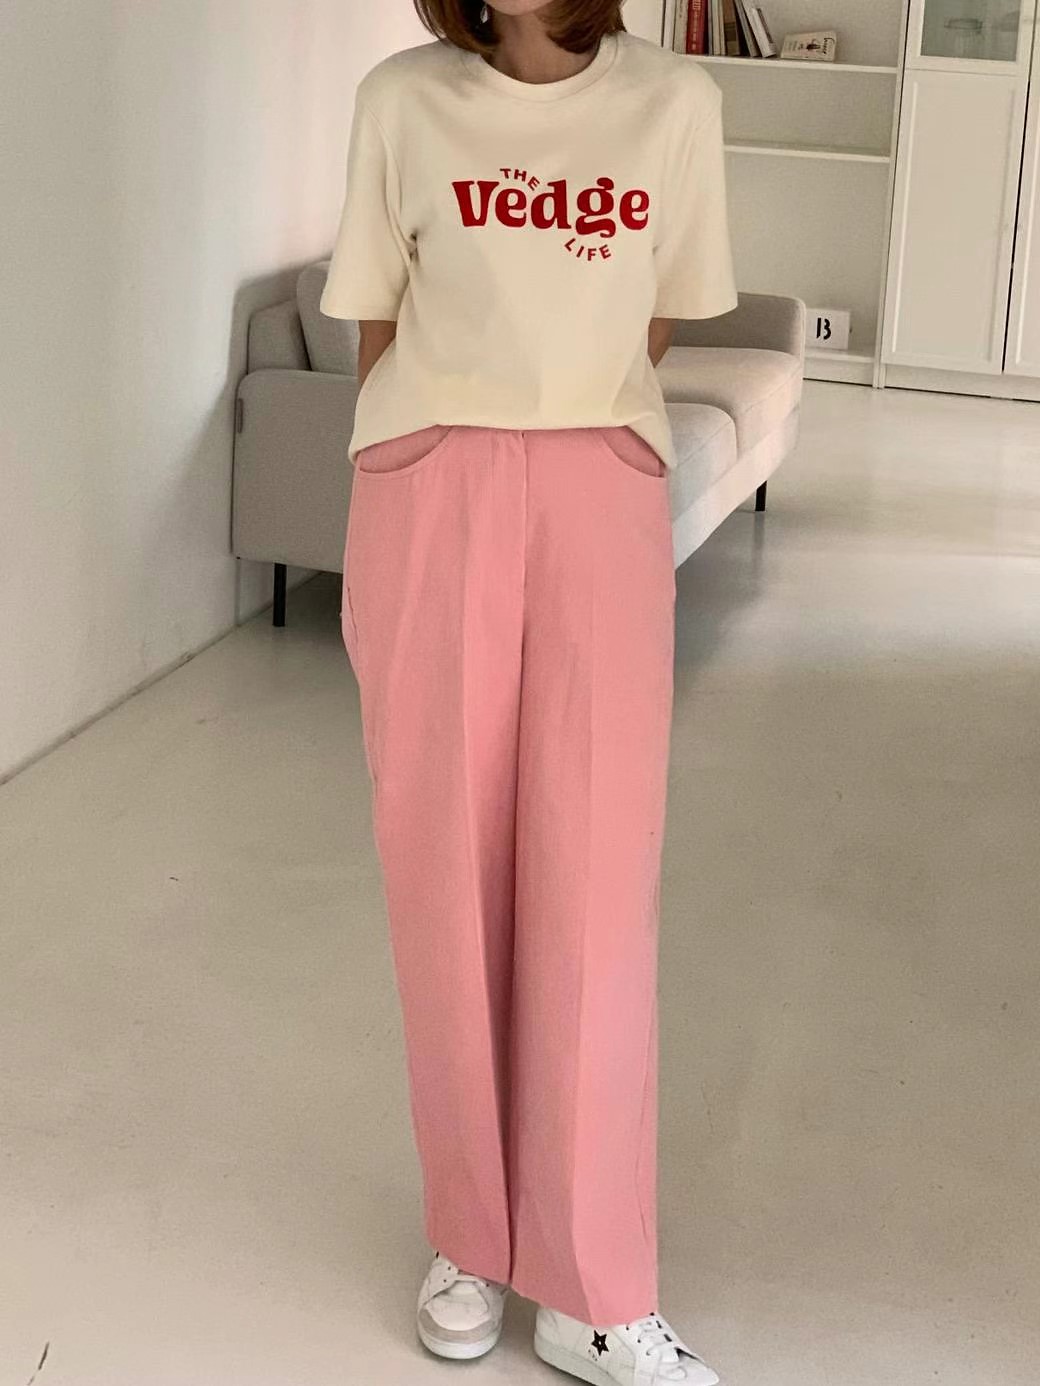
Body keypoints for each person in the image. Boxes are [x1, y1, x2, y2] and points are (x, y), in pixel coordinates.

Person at [319, 2, 738, 1382]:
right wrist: (428, 465)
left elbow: (655, 319)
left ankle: (591, 1282)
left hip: (595, 478)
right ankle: (471, 1237)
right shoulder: (401, 99)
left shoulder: (674, 105)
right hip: (428, 477)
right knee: (441, 868)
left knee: (597, 877)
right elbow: (378, 322)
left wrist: (557, 425)